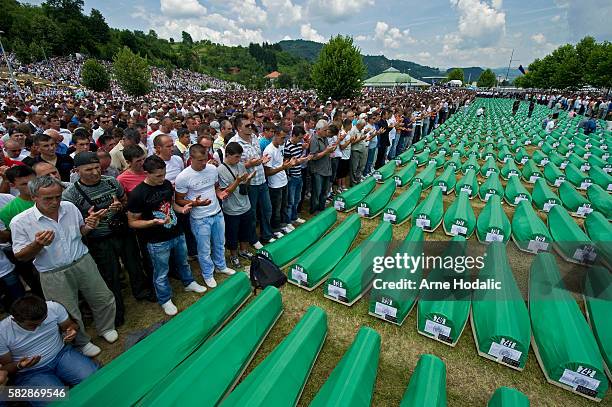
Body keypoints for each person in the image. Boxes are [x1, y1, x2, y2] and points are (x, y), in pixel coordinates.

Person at [10, 176, 117, 357]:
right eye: (48, 198)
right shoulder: (20, 222)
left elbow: (80, 232)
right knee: (67, 311)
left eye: (58, 196)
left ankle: (106, 328)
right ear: (34, 196)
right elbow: (20, 256)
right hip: (53, 273)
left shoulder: (69, 207)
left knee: (103, 297)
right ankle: (82, 342)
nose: (55, 202)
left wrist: (90, 226)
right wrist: (38, 244)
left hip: (82, 261)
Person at [63, 152, 152, 326]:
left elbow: (125, 200)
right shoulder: (71, 194)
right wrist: (89, 219)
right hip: (99, 239)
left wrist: (121, 206)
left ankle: (142, 292)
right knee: (110, 274)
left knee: (133, 263)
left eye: (97, 167)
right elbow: (73, 221)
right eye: (88, 169)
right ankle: (116, 309)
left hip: (122, 232)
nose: (95, 172)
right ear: (77, 170)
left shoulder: (111, 181)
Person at [127, 156, 206, 316]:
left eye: (163, 174)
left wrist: (181, 210)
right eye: (158, 176)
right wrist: (152, 222)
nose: (162, 179)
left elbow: (172, 205)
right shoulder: (137, 194)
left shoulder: (167, 184)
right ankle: (164, 299)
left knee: (183, 262)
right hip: (156, 240)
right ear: (146, 173)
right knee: (161, 272)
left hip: (176, 232)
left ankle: (188, 282)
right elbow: (132, 222)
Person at [0, 295, 99, 399]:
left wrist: (72, 330)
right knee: (56, 401)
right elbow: (6, 368)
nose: (39, 326)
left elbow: (72, 326)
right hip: (30, 372)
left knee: (95, 379)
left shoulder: (53, 308)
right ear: (15, 320)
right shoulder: (3, 331)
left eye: (43, 320)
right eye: (32, 325)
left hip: (61, 354)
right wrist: (20, 365)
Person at [175, 144, 235, 288]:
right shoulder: (183, 177)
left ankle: (221, 266)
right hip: (200, 219)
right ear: (191, 159)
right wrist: (195, 203)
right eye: (200, 160)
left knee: (220, 242)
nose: (203, 163)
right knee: (204, 249)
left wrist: (220, 194)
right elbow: (179, 200)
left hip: (217, 213)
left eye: (205, 159)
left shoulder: (212, 169)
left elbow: (215, 187)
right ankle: (208, 274)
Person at [229, 115, 274, 243]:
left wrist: (261, 161)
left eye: (250, 124)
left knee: (267, 209)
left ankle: (267, 235)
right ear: (238, 128)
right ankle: (253, 239)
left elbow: (258, 156)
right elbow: (232, 165)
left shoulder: (254, 137)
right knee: (252, 213)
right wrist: (250, 164)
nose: (250, 127)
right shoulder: (234, 143)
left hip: (261, 179)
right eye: (247, 125)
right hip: (249, 183)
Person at [217, 142, 260, 268]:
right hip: (231, 209)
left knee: (245, 231)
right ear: (228, 155)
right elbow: (226, 192)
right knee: (232, 234)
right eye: (236, 157)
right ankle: (233, 255)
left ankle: (244, 250)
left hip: (245, 205)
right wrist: (237, 181)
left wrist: (248, 179)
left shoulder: (240, 165)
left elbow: (244, 184)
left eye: (240, 157)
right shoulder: (220, 170)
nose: (238, 160)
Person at [264, 129, 299, 236]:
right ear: (275, 135)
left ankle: (283, 225)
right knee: (276, 209)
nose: (284, 140)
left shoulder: (280, 147)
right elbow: (268, 171)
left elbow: (280, 163)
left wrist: (288, 163)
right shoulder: (268, 150)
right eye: (282, 137)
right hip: (275, 185)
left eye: (285, 137)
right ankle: (275, 229)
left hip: (283, 181)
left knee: (284, 205)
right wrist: (283, 167)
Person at [284, 126, 310, 224]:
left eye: (302, 138)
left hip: (299, 174)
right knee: (290, 201)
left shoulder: (299, 144)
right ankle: (288, 221)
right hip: (291, 177)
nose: (300, 140)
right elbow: (287, 164)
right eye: (299, 138)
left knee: (297, 199)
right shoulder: (287, 146)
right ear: (293, 135)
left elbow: (299, 157)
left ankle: (294, 217)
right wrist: (300, 161)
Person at [309, 120, 336, 214]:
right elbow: (314, 156)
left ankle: (321, 207)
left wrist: (331, 149)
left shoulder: (325, 138)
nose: (327, 132)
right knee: (317, 192)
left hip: (326, 168)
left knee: (324, 191)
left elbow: (326, 150)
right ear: (319, 130)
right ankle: (314, 209)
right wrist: (326, 151)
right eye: (325, 130)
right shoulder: (314, 140)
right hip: (318, 170)